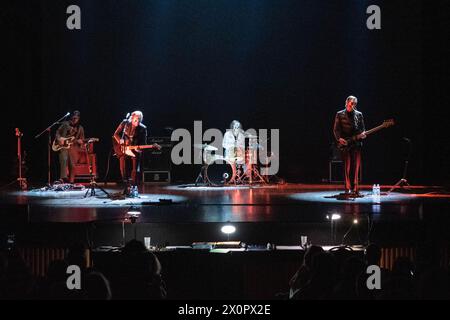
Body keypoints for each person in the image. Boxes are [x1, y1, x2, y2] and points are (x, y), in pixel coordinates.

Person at [333, 96, 366, 195]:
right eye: (352, 103)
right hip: (345, 144)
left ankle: (356, 189)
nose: (353, 105)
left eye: (355, 104)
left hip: (356, 143)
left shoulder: (359, 114)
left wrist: (363, 134)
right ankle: (347, 188)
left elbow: (363, 129)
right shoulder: (339, 114)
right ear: (347, 102)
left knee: (356, 167)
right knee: (347, 167)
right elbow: (336, 129)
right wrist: (339, 139)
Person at [113, 111, 147, 186]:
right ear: (132, 118)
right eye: (136, 119)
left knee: (136, 166)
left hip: (134, 148)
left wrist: (139, 149)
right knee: (122, 163)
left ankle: (134, 185)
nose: (137, 121)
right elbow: (116, 134)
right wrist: (120, 142)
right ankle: (125, 183)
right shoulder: (125, 123)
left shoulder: (143, 128)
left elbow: (143, 143)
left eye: (139, 120)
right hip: (123, 147)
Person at [55, 111, 85, 183]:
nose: (74, 119)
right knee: (63, 158)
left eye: (76, 118)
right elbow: (57, 132)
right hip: (63, 147)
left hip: (73, 147)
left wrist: (80, 142)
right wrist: (59, 139)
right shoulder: (65, 124)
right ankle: (63, 178)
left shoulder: (80, 128)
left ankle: (71, 181)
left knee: (72, 164)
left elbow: (82, 139)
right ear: (71, 117)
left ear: (78, 119)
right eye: (73, 118)